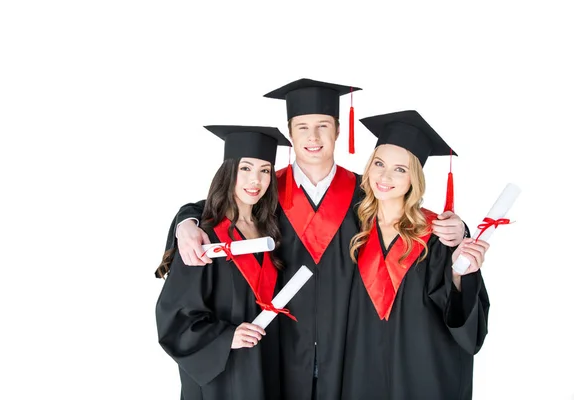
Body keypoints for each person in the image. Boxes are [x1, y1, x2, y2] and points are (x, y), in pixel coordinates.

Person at [171, 79, 469, 400]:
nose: (313, 138)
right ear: (289, 133)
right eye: (302, 127)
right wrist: (185, 221)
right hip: (276, 350)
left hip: (347, 356)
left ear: (339, 131)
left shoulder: (365, 196)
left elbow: (412, 221)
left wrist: (459, 228)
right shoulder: (265, 192)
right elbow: (221, 210)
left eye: (323, 126)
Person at [341, 110, 490, 400]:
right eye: (379, 164)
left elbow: (461, 318)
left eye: (400, 169)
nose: (385, 176)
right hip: (361, 372)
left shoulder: (438, 235)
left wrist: (460, 274)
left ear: (415, 178)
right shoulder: (351, 229)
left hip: (423, 374)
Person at [155, 125, 292, 400]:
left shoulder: (273, 228)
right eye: (246, 168)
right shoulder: (204, 237)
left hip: (266, 362)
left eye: (265, 170)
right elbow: (174, 315)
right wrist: (225, 336)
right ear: (229, 171)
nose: (256, 180)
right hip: (223, 373)